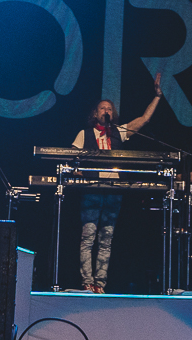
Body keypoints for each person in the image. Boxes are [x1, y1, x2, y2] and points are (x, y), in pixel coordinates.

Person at [69, 72, 162, 293]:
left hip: (114, 191)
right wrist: (79, 174)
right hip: (92, 189)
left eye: (110, 108)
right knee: (88, 237)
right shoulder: (85, 133)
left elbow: (143, 120)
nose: (106, 111)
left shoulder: (119, 132)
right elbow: (70, 158)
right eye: (103, 108)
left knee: (106, 239)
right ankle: (87, 282)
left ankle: (100, 284)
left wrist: (157, 96)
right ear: (95, 113)